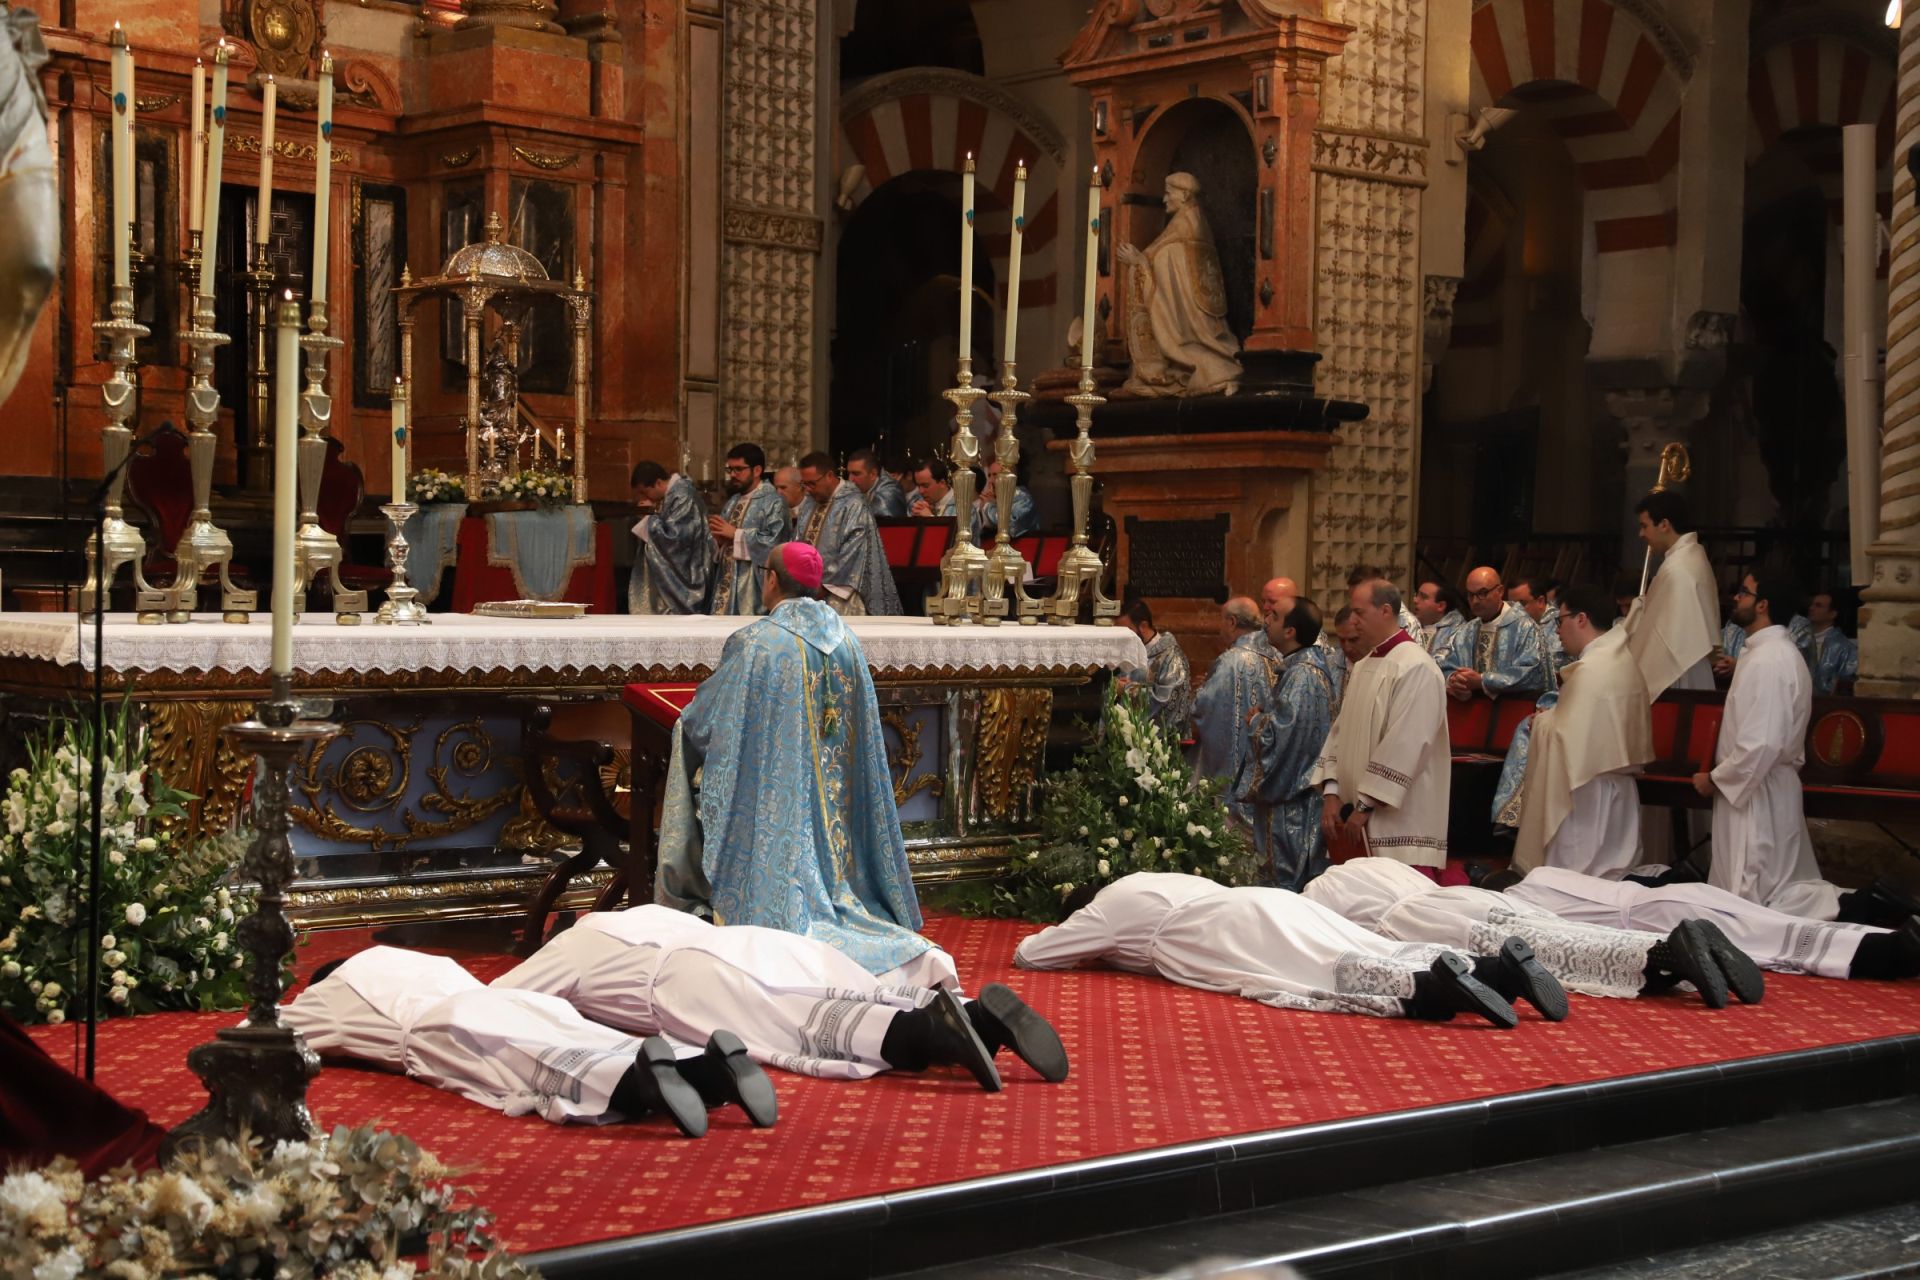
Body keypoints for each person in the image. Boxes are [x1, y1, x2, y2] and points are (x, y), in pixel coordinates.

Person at [658, 542, 927, 975]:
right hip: (838, 803)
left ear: (769, 579)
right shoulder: (847, 641)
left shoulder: (757, 643)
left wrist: (685, 722)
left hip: (780, 808)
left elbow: (708, 721)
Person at [497, 904, 1068, 1093]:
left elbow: (498, 1002)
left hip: (682, 982)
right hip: (746, 943)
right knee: (842, 991)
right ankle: (977, 1019)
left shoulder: (570, 945)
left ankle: (934, 1038)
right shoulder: (639, 911)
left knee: (799, 1025)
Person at [282, 946, 772, 1138]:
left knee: (538, 1067)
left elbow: (261, 1036)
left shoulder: (332, 992)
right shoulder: (406, 957)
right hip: (510, 1000)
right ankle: (708, 1069)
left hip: (443, 1028)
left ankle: (640, 1084)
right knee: (589, 1036)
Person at [1014, 872, 1562, 1028]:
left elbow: (1032, 955)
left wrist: (1089, 945)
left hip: (1215, 930)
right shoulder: (1153, 877)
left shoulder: (1106, 907)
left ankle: (1434, 990)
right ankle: (1497, 970)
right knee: (1357, 941)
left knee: (1316, 970)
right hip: (1262, 899)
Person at [1304, 857, 1759, 1009]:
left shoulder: (1317, 892)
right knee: (1557, 931)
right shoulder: (1371, 864)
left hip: (1426, 922)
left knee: (1554, 953)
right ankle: (1676, 953)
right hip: (1465, 901)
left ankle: (1667, 954)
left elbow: (1351, 938)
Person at [1694, 571, 1845, 919]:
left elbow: (1762, 742)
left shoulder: (1771, 659)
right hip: (1755, 785)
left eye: (1744, 593)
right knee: (1765, 888)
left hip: (1757, 789)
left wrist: (1716, 777)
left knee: (1760, 891)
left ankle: (1865, 908)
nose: (1736, 598)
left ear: (1763, 605)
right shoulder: (1762, 653)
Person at [1506, 866, 1920, 983]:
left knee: (1769, 943)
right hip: (1668, 901)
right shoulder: (1541, 873)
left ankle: (1886, 952)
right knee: (1773, 926)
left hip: (1655, 917)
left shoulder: (1523, 894)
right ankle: (1885, 943)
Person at [1507, 584, 1653, 877]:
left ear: (1581, 619)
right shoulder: (1620, 660)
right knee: (1608, 881)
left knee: (1574, 881)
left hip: (1586, 796)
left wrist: (1542, 721)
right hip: (1616, 791)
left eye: (1560, 620)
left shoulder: (1592, 669)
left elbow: (1566, 740)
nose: (1557, 630)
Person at [1314, 580, 1451, 872]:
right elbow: (1340, 734)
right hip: (1353, 823)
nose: (1352, 621)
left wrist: (1364, 806)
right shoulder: (1364, 665)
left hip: (1395, 828)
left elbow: (1407, 744)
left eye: (1359, 613)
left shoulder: (1417, 667)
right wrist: (1332, 792)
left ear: (1386, 610)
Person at [1116, 172, 1244, 398]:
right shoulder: (1194, 223)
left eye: (1168, 193)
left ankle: (1199, 369)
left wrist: (1138, 263)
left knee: (1199, 362)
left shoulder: (1180, 234)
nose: (1164, 200)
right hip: (1206, 327)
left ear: (1184, 195)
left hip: (1189, 331)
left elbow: (1167, 281)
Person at [1245, 598, 1336, 889]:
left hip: (1293, 812)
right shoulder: (1299, 669)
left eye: (1274, 615)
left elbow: (1283, 740)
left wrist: (1255, 722)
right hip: (1293, 804)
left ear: (1290, 631)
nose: (1266, 619)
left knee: (1285, 893)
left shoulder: (1302, 676)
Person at [1192, 597, 1278, 833]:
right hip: (1268, 770)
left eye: (1221, 620)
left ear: (1231, 622)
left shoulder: (1231, 661)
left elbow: (1204, 706)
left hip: (1234, 773)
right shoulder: (1278, 655)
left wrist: (1199, 692)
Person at [1623, 489, 1719, 698]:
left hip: (1677, 670)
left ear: (1664, 525)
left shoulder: (1678, 569)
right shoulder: (1692, 557)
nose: (1641, 534)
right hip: (1690, 664)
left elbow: (1664, 637)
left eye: (1644, 526)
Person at [797, 451, 902, 615]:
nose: (808, 490)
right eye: (804, 484)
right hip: (807, 592)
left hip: (839, 593)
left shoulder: (854, 504)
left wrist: (823, 587)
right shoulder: (808, 504)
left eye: (812, 483)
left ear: (829, 476)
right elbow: (797, 543)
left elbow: (853, 552)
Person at [1439, 567, 1553, 702]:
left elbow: (1534, 673)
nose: (1475, 601)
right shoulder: (1466, 631)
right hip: (1472, 712)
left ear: (1500, 591)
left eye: (1482, 593)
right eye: (1470, 595)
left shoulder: (1525, 627)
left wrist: (1483, 680)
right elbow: (1444, 662)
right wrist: (1454, 679)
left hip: (1512, 711)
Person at [707, 443, 791, 616]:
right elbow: (723, 542)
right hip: (726, 587)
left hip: (751, 592)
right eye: (730, 469)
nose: (733, 475)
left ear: (757, 470)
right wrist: (719, 542)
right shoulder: (733, 502)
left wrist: (736, 535)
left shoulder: (774, 502)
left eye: (739, 469)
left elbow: (775, 544)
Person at [629, 459, 711, 615]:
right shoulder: (670, 496)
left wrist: (647, 519)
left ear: (659, 483)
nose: (643, 498)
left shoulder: (683, 496)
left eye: (645, 492)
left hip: (690, 574)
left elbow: (677, 539)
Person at [1119, 597, 1193, 738]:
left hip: (1160, 747)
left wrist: (1126, 690)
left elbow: (1168, 701)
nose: (1122, 639)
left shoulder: (1172, 658)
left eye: (1126, 631)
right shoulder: (1127, 653)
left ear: (1143, 626)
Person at [1806, 590, 1859, 695]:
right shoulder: (1798, 640)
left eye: (1818, 605)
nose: (1811, 608)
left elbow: (1844, 684)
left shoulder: (1845, 648)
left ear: (1832, 614)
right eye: (1811, 604)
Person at [1509, 576, 1566, 672]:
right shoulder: (1510, 623)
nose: (1515, 611)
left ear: (1540, 601)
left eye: (1522, 604)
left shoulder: (1561, 622)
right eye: (1511, 605)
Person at [973, 457, 1037, 541]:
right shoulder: (990, 498)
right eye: (989, 475)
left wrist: (988, 507)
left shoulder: (1023, 499)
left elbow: (1011, 526)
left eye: (995, 475)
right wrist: (981, 509)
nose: (990, 481)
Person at [1411, 579, 1467, 658]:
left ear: (1441, 606)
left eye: (1423, 597)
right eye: (1416, 595)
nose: (1415, 600)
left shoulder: (1459, 634)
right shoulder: (1409, 627)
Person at [849, 448, 909, 518]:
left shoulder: (890, 491)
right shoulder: (859, 488)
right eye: (849, 473)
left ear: (873, 474)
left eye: (856, 474)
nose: (850, 479)